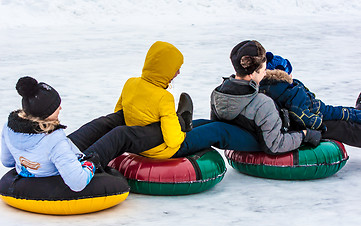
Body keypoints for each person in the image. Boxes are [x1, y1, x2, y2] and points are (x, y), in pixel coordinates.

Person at [113, 40, 267, 159]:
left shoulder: (132, 83)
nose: (178, 72)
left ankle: (180, 126)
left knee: (210, 126)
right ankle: (180, 125)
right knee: (210, 127)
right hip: (164, 149)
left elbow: (119, 114)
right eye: (175, 69)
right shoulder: (163, 97)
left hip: (145, 141)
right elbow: (175, 140)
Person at [210, 40, 322, 154]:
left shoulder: (218, 94)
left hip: (242, 140)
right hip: (268, 143)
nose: (265, 74)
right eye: (263, 70)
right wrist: (304, 135)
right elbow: (275, 144)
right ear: (252, 73)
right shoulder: (262, 103)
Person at [1, 77, 96, 192]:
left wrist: (28, 159)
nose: (60, 108)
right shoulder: (54, 139)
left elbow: (7, 161)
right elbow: (77, 183)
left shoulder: (9, 127)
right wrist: (90, 164)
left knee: (99, 125)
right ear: (46, 113)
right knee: (119, 134)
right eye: (56, 106)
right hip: (54, 180)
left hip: (38, 169)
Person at [260, 52, 361, 131]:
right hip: (319, 115)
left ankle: (357, 112)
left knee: (344, 114)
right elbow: (301, 115)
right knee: (342, 119)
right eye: (289, 73)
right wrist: (319, 124)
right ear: (283, 74)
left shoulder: (267, 88)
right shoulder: (290, 91)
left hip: (316, 112)